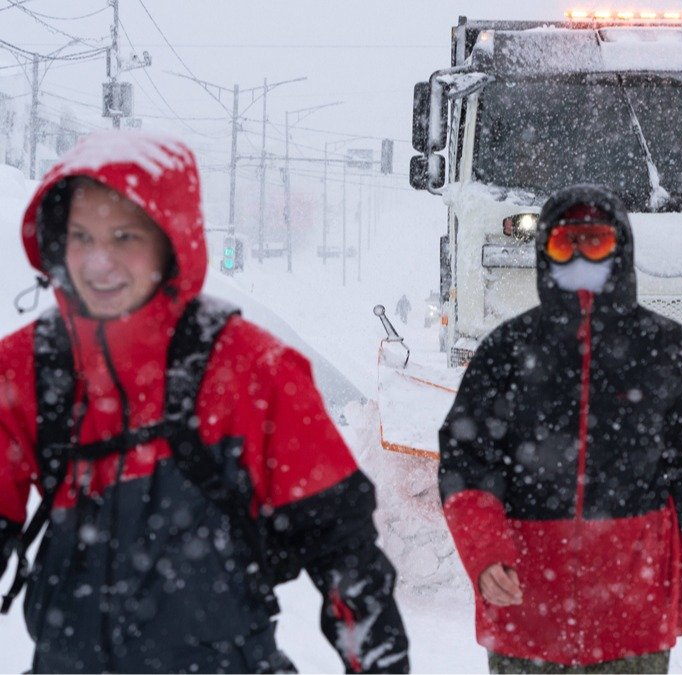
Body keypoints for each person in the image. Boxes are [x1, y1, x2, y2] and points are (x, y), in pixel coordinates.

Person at [0, 131, 409, 673]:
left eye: (124, 237)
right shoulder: (30, 367)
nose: (98, 263)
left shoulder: (252, 369)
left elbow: (341, 550)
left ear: (172, 242)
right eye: (81, 236)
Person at [438, 185, 682, 674]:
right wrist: (485, 554)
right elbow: (466, 464)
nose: (581, 257)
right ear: (544, 250)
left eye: (596, 242)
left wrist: (680, 598)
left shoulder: (667, 348)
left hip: (632, 620)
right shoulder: (505, 350)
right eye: (565, 244)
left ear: (621, 248)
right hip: (527, 618)